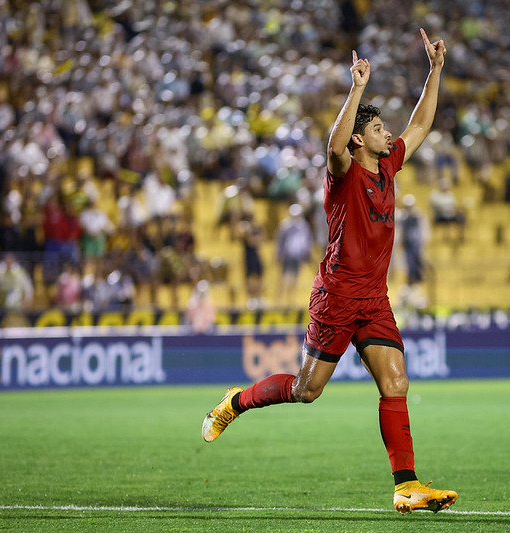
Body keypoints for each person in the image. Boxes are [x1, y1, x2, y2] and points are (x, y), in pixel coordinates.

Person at [201, 28, 457, 514]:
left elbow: (420, 127)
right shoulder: (344, 174)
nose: (389, 134)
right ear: (362, 139)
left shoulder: (388, 167)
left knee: (396, 382)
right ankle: (236, 402)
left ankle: (406, 487)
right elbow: (333, 147)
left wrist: (435, 71)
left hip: (374, 299)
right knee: (307, 390)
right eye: (380, 130)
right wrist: (356, 88)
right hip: (337, 296)